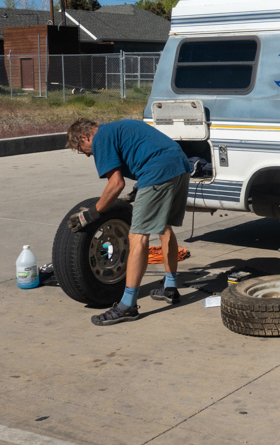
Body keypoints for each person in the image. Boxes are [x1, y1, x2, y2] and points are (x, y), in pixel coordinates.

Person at [66, 117, 192, 326]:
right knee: (164, 227)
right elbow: (147, 150)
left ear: (84, 136)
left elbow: (116, 184)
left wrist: (90, 214)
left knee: (137, 236)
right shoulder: (119, 127)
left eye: (82, 148)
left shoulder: (100, 139)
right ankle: (170, 287)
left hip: (158, 172)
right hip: (180, 165)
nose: (87, 154)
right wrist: (139, 189)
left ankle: (127, 306)